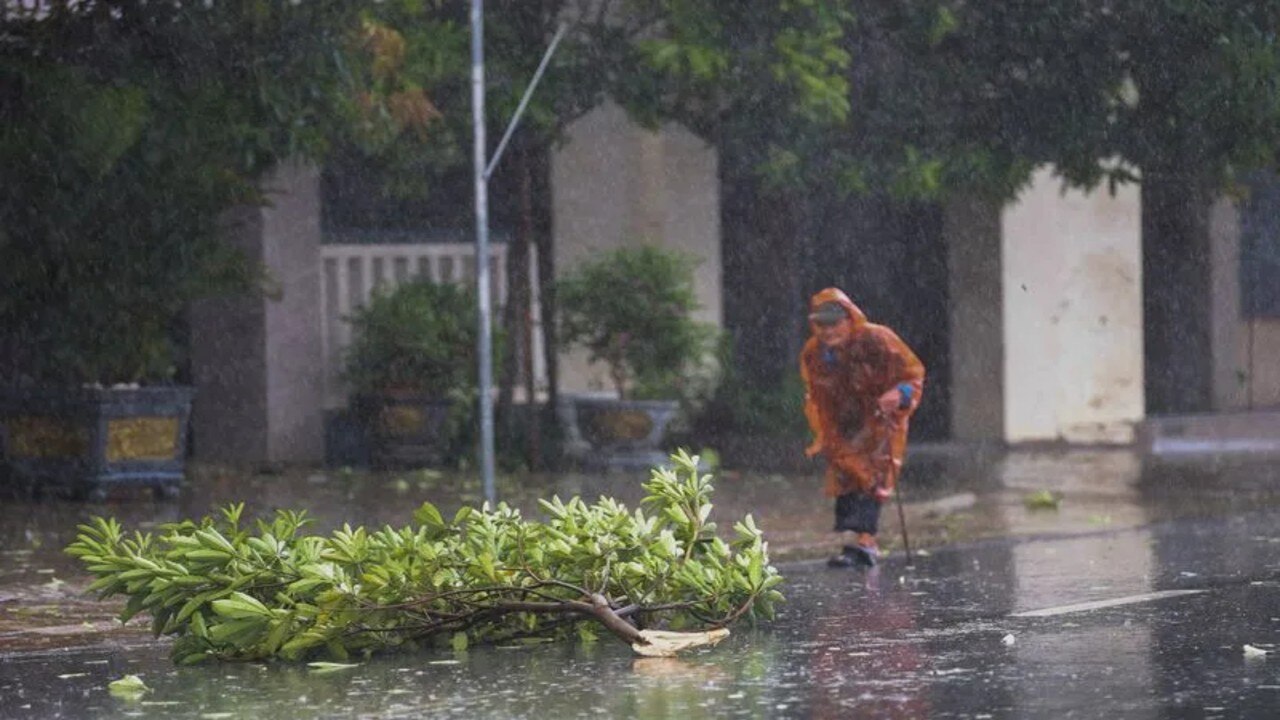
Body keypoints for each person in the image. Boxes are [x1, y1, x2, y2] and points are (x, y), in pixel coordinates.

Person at [799, 287, 925, 568]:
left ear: (849, 318)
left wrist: (900, 394)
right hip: (842, 424)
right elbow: (815, 391)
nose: (828, 331)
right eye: (822, 324)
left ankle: (865, 541)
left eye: (834, 323)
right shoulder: (814, 353)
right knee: (845, 477)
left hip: (879, 420)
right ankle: (851, 541)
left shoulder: (878, 339)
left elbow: (912, 374)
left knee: (874, 476)